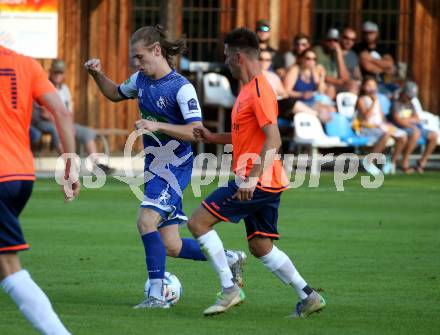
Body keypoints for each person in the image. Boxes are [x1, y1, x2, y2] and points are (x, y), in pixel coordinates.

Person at [84, 25, 245, 309]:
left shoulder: (181, 87)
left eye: (140, 56)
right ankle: (229, 258)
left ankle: (157, 297)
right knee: (171, 244)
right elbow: (115, 93)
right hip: (153, 166)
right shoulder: (141, 80)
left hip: (174, 166)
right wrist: (97, 74)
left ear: (157, 51)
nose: (137, 63)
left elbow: (196, 131)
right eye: (135, 58)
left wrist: (156, 124)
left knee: (145, 221)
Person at [188, 27, 326, 317]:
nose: (225, 61)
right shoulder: (247, 91)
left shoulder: (261, 90)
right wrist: (213, 138)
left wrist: (251, 178)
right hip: (266, 180)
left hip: (256, 180)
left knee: (198, 223)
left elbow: (273, 139)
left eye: (227, 56)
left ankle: (229, 289)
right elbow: (246, 135)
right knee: (261, 246)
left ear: (239, 57)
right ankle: (309, 295)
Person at [0, 45, 79, 334]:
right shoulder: (27, 65)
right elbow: (62, 113)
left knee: (8, 265)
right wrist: (70, 166)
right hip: (21, 176)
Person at [47, 59, 114, 174]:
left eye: (60, 72)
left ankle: (96, 164)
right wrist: (61, 124)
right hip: (49, 121)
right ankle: (70, 165)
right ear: (51, 72)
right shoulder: (45, 87)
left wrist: (68, 124)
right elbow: (44, 112)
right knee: (57, 130)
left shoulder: (65, 89)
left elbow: (70, 111)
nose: (58, 75)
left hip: (65, 122)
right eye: (56, 72)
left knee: (87, 131)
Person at [356, 76, 407, 175]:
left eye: (374, 85)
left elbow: (381, 117)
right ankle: (369, 161)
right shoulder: (362, 100)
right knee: (386, 134)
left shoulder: (377, 100)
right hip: (367, 128)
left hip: (379, 127)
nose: (372, 88)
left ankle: (392, 162)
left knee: (403, 136)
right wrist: (374, 101)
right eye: (369, 85)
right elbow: (366, 117)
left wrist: (386, 124)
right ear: (363, 87)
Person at [392, 81, 438, 173]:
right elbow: (398, 120)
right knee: (416, 133)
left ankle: (422, 162)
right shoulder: (396, 103)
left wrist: (406, 120)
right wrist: (410, 123)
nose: (410, 98)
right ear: (403, 93)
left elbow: (417, 118)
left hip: (414, 127)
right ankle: (404, 161)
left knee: (434, 135)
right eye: (409, 95)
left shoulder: (411, 104)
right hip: (402, 128)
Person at [284, 48, 335, 122]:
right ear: (302, 59)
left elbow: (321, 91)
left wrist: (322, 76)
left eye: (314, 59)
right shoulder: (295, 70)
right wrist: (301, 94)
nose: (311, 61)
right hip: (298, 103)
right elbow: (286, 91)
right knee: (322, 115)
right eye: (308, 58)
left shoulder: (313, 71)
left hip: (311, 102)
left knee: (332, 110)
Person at [353, 21, 395, 92]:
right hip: (367, 82)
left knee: (397, 90)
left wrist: (371, 59)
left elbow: (389, 64)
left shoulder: (382, 48)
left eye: (371, 33)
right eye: (366, 33)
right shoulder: (358, 48)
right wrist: (384, 68)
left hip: (384, 80)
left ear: (376, 33)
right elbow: (367, 66)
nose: (368, 36)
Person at [314, 28, 350, 98]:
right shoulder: (317, 51)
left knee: (353, 85)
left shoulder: (338, 52)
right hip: (322, 82)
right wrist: (337, 81)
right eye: (329, 40)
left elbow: (345, 78)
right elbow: (317, 72)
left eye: (335, 40)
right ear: (324, 40)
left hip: (338, 84)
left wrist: (339, 54)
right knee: (331, 88)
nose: (332, 43)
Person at [340, 27, 362, 94]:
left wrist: (358, 81)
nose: (349, 42)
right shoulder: (333, 52)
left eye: (352, 40)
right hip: (339, 84)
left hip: (352, 86)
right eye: (346, 38)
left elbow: (358, 75)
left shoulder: (353, 55)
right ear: (340, 37)